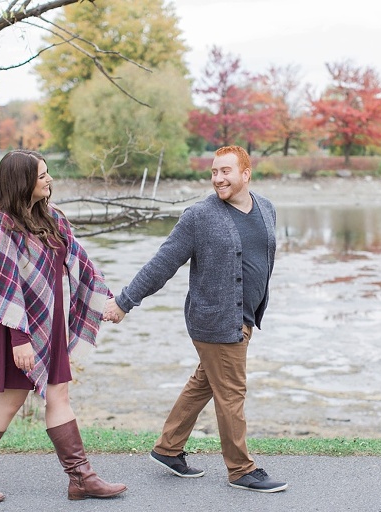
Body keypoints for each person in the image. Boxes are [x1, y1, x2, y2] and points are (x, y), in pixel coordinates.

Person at [0, 150, 126, 503]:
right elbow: (4, 287)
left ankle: (81, 478)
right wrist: (20, 338)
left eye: (48, 173)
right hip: (11, 328)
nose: (49, 180)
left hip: (48, 322)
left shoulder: (52, 219)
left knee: (59, 394)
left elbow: (82, 264)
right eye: (42, 175)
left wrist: (109, 301)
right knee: (9, 401)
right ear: (22, 181)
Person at [104, 145, 287, 493]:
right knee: (232, 392)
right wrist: (125, 301)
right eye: (214, 172)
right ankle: (241, 469)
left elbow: (262, 257)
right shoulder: (199, 217)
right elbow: (163, 263)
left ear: (246, 174)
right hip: (215, 319)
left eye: (226, 171)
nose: (218, 178)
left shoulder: (266, 208)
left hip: (244, 316)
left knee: (205, 382)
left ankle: (168, 449)